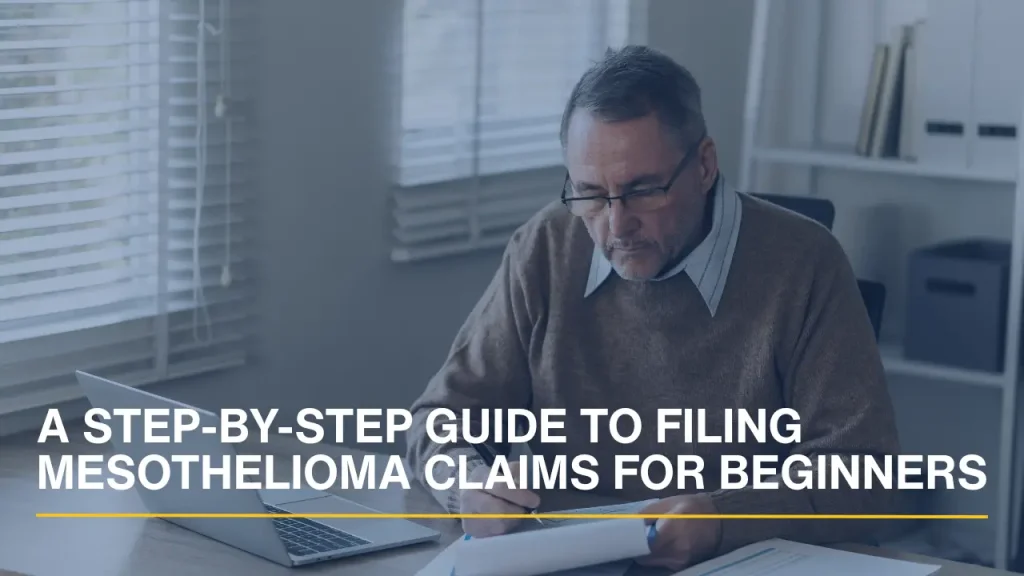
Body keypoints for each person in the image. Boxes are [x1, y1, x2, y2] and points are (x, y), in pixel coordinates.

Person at [405, 45, 905, 571]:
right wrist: (468, 488)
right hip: (575, 560)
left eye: (644, 191)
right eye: (591, 194)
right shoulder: (547, 246)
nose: (616, 227)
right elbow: (435, 420)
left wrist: (722, 519)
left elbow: (864, 475)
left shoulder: (805, 263)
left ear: (705, 164)